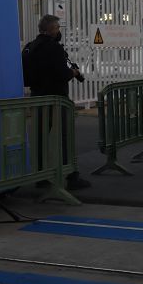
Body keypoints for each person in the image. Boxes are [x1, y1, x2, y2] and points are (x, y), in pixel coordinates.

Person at [22, 14, 91, 190]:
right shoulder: (54, 48)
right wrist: (73, 73)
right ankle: (71, 176)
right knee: (65, 137)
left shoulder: (29, 48)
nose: (59, 31)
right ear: (51, 29)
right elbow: (62, 74)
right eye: (57, 28)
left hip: (37, 97)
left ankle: (41, 177)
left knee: (40, 138)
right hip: (57, 99)